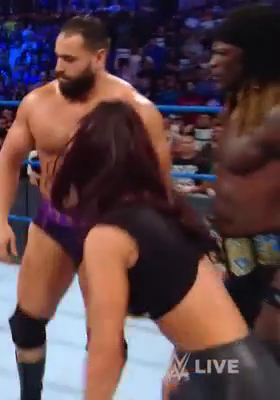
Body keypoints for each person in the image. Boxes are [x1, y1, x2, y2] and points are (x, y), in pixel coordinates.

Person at [0, 16, 171, 400]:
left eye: (70, 59)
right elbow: (8, 160)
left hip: (109, 230)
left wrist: (148, 251)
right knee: (26, 323)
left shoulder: (137, 111)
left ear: (99, 57)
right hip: (54, 221)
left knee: (105, 338)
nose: (59, 66)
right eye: (57, 56)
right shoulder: (38, 102)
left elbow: (160, 187)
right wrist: (0, 222)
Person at [58, 99, 280, 400]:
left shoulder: (107, 236)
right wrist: (182, 365)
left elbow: (107, 350)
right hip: (243, 369)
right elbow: (202, 300)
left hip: (227, 381)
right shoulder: (167, 209)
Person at [207, 5, 280, 362]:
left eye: (223, 53)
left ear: (252, 57)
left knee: (263, 369)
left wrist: (278, 294)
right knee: (208, 368)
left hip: (270, 260)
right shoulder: (237, 105)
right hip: (233, 255)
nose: (212, 63)